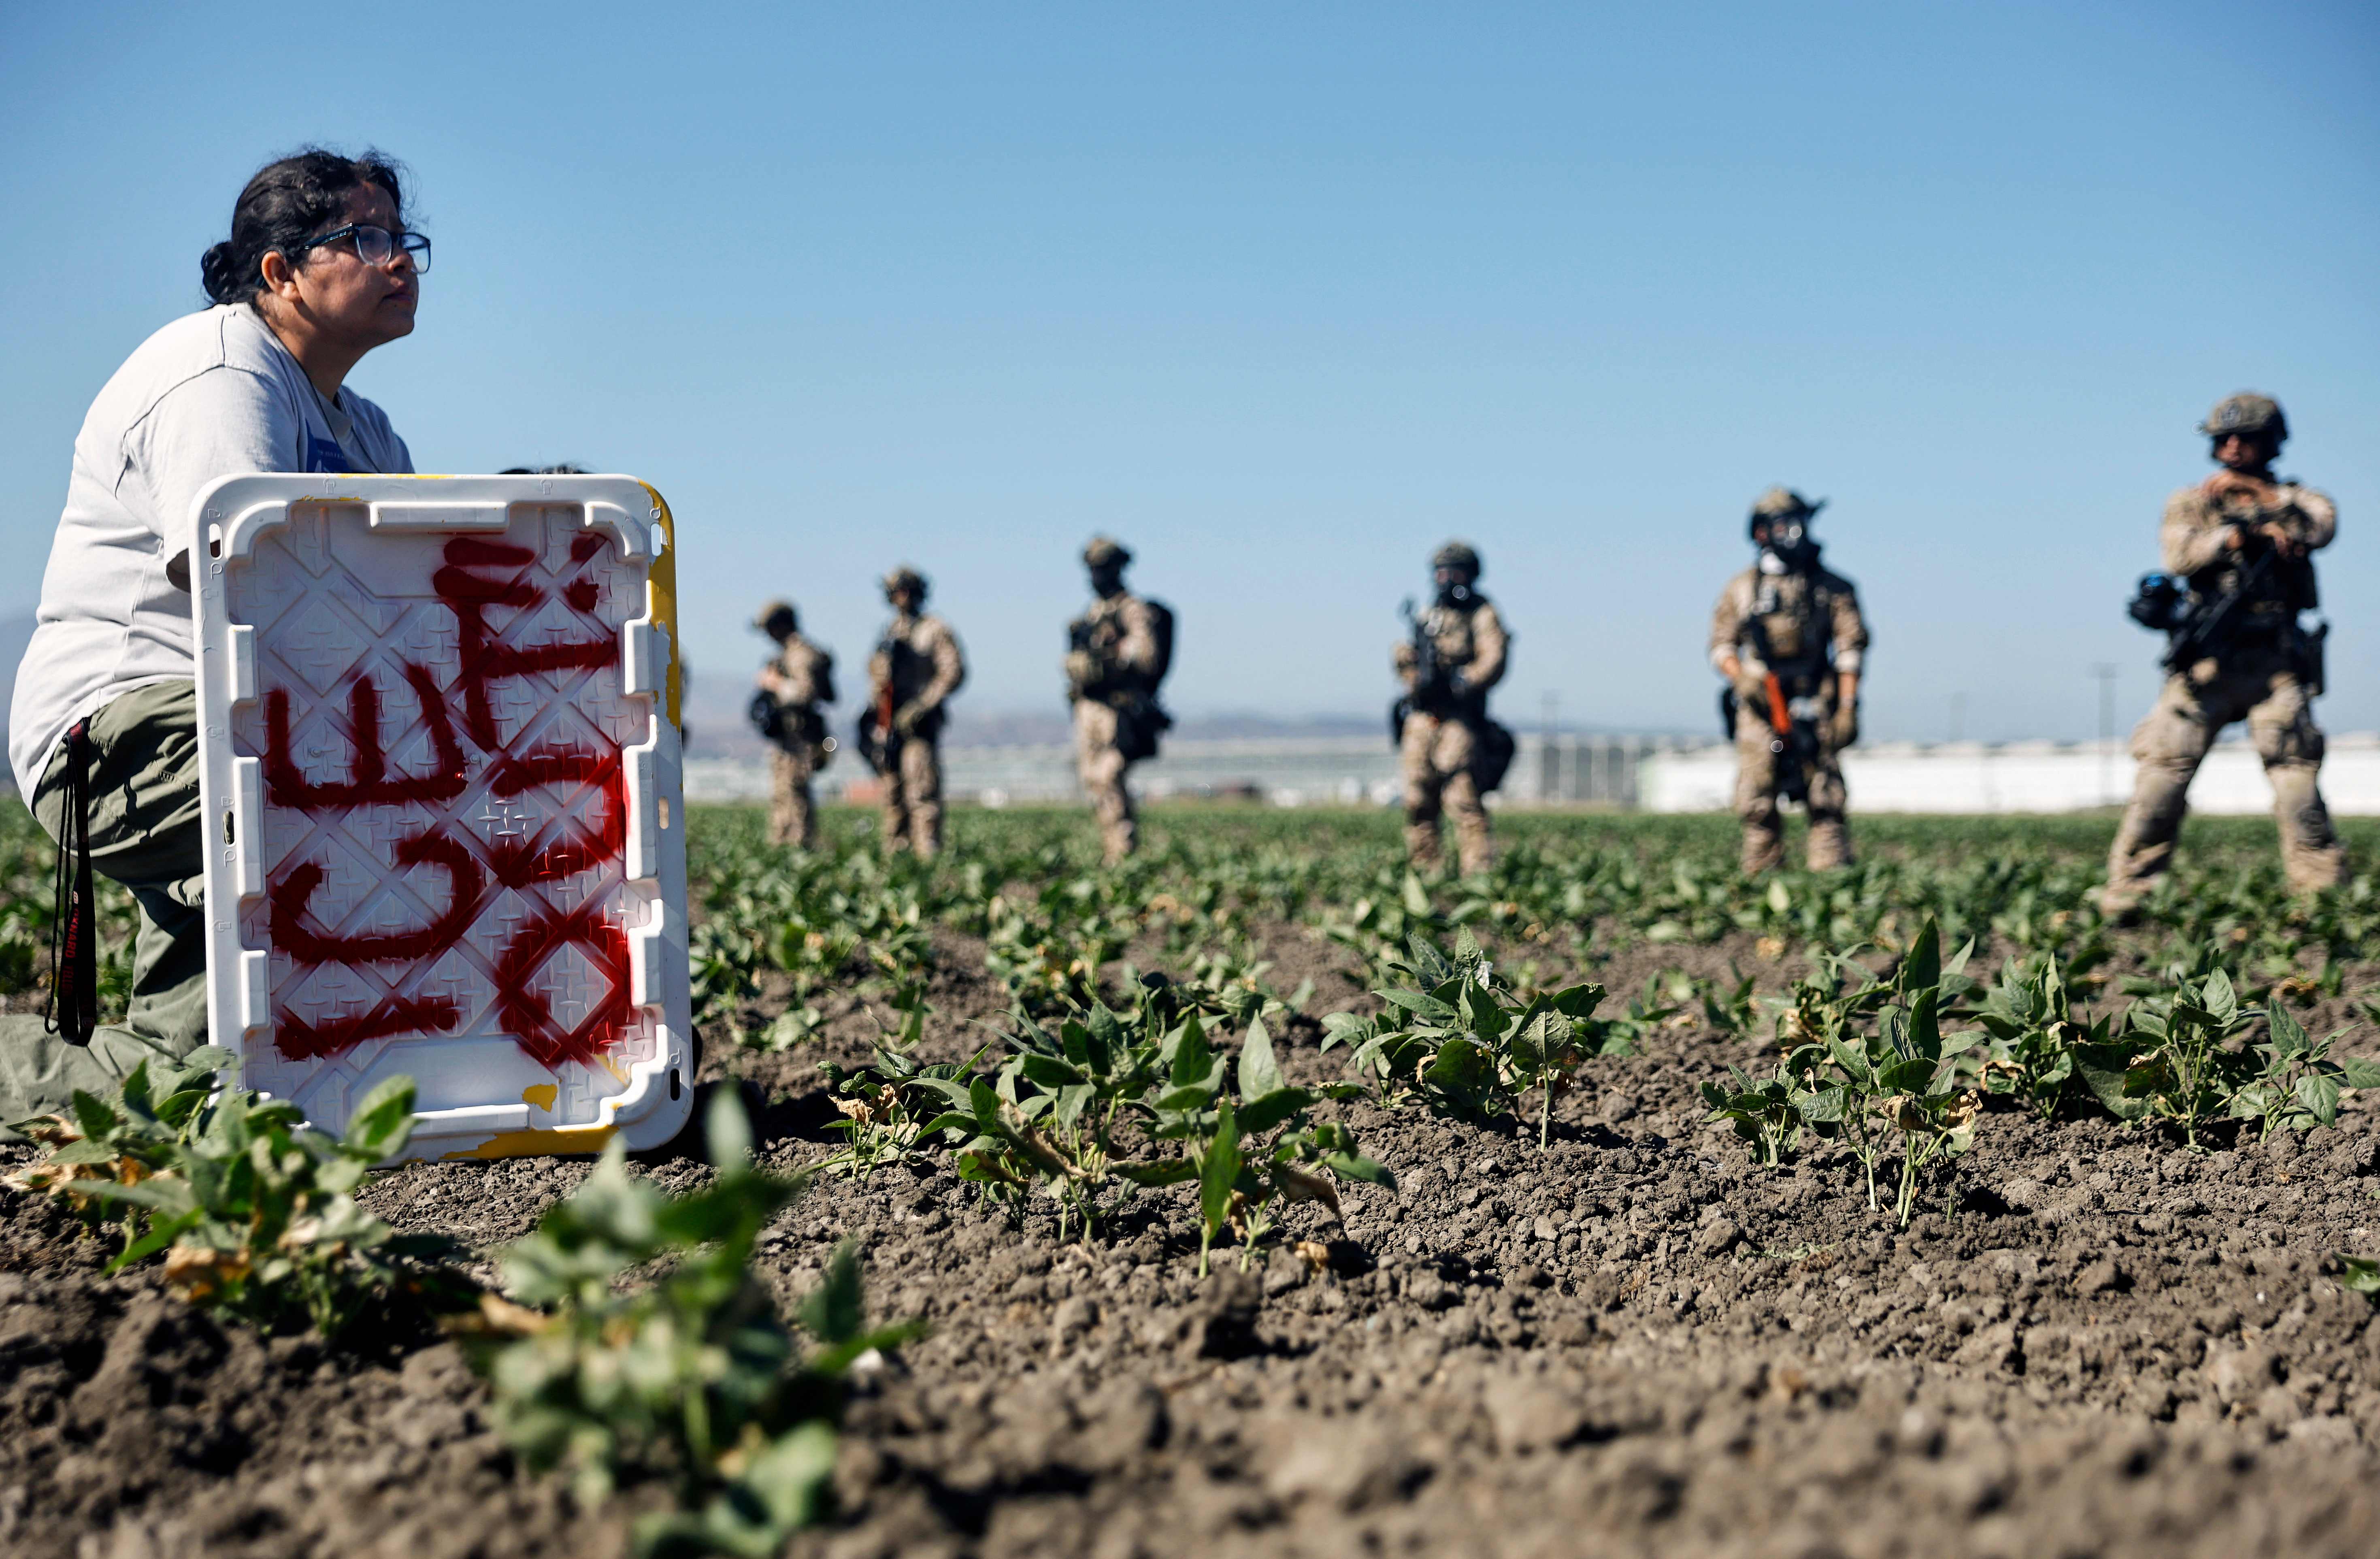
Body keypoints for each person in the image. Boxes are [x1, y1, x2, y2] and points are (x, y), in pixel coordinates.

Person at [1, 148, 423, 1130]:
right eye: (366, 239)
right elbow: (253, 585)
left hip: (251, 729)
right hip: (127, 735)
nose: (397, 261)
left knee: (183, 1084)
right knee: (375, 791)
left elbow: (415, 614)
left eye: (404, 241)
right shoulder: (221, 373)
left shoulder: (367, 432)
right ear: (278, 271)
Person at [2098, 394, 2343, 915]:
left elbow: (2322, 526)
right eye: (2223, 439)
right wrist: (2237, 536)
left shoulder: (2299, 499)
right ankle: (2128, 893)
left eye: (2245, 438)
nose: (2232, 448)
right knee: (2161, 778)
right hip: (2206, 666)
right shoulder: (2194, 501)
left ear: (2270, 442)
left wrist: (2265, 501)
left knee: (2295, 778)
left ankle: (2320, 895)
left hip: (2274, 665)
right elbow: (2180, 555)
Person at [1709, 488, 1868, 873]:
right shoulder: (1742, 588)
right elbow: (1721, 646)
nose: (1793, 533)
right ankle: (1763, 882)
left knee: (1825, 796)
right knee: (1757, 796)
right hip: (1762, 701)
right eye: (1783, 524)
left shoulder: (1832, 588)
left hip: (1819, 698)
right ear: (1762, 532)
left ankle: (1832, 883)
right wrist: (1743, 680)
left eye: (1798, 523)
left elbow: (1850, 652)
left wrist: (1847, 708)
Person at [1393, 541, 1509, 876]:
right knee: (1418, 800)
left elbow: (1493, 659)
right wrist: (1411, 670)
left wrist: (1463, 681)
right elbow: (1411, 663)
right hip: (1421, 721)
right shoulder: (1431, 616)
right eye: (1441, 574)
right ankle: (1425, 872)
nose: (1446, 581)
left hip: (1458, 719)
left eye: (1453, 573)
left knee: (1462, 798)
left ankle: (1478, 876)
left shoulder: (1482, 613)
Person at [1064, 536, 1173, 865]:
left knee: (1108, 776)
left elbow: (1146, 656)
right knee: (1093, 780)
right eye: (1093, 569)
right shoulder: (1093, 614)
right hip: (1090, 709)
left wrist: (1108, 658)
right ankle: (1113, 851)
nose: (1097, 576)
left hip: (1119, 709)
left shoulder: (1132, 610)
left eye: (1102, 569)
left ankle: (1123, 854)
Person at [862, 567, 965, 858]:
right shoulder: (889, 632)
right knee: (892, 794)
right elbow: (877, 679)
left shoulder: (935, 630)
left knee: (922, 792)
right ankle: (896, 855)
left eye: (906, 590)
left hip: (919, 725)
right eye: (896, 591)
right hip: (889, 725)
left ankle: (927, 855)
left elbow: (952, 673)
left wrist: (922, 706)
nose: (901, 597)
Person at [751, 600, 836, 849]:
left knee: (796, 800)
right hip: (787, 741)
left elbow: (806, 693)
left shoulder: (802, 655)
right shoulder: (785, 655)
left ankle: (800, 852)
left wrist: (775, 685)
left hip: (800, 740)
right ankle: (784, 849)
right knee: (782, 798)